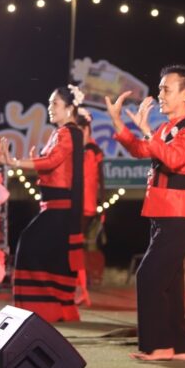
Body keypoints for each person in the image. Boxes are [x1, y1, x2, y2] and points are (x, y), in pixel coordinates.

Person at [107, 65, 185, 361]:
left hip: (179, 211)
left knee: (149, 276)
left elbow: (173, 159)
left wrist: (148, 131)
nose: (160, 94)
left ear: (184, 94)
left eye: (166, 89)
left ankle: (159, 345)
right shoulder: (165, 129)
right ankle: (180, 347)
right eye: (160, 88)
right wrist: (118, 122)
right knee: (170, 283)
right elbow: (141, 149)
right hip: (162, 209)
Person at [0, 85, 84, 323]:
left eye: (55, 103)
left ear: (70, 108)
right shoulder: (62, 132)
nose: (50, 108)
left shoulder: (68, 133)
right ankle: (54, 308)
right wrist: (31, 161)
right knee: (49, 256)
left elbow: (52, 161)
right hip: (54, 207)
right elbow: (51, 164)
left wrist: (15, 161)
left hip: (60, 209)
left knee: (29, 246)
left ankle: (45, 308)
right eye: (50, 103)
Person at [75, 108, 104, 306]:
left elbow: (101, 179)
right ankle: (80, 289)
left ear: (85, 130)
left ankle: (81, 289)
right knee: (74, 247)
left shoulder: (93, 151)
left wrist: (102, 206)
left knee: (75, 246)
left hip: (85, 206)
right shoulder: (78, 150)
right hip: (76, 203)